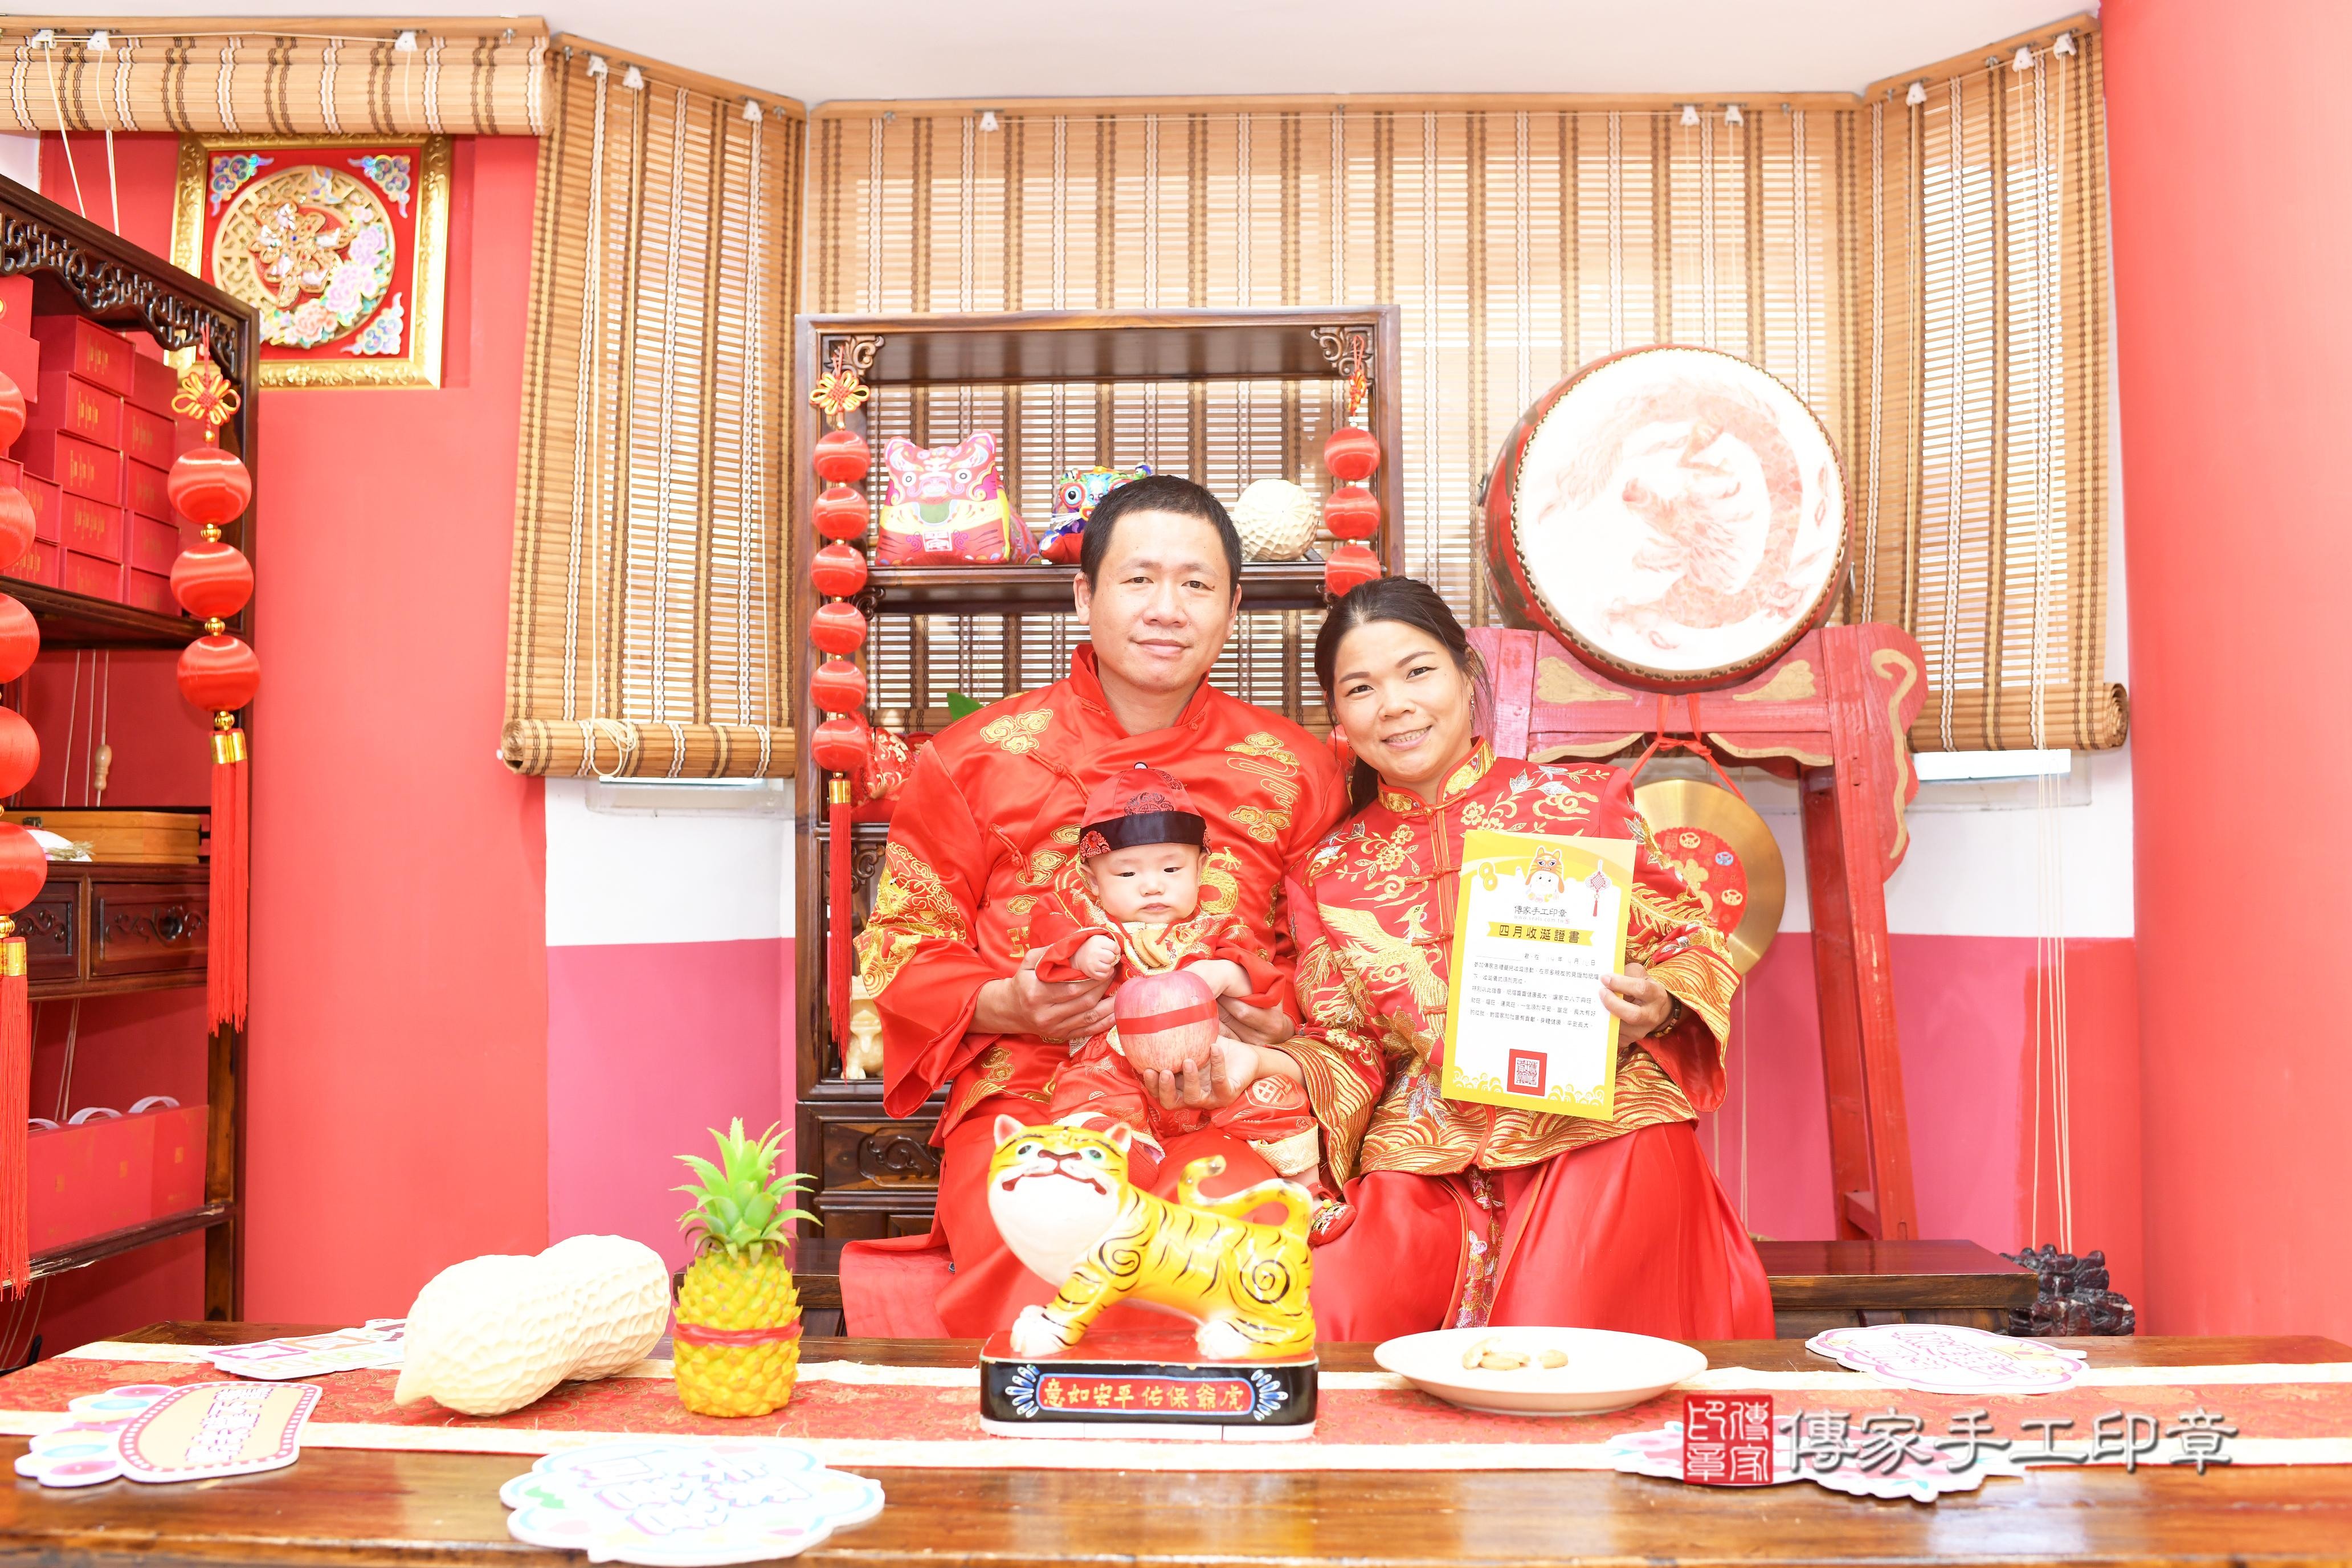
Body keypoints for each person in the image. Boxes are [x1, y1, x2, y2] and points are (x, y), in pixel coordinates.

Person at [840, 475, 1348, 1337]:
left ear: (1232, 610)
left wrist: (1268, 1019)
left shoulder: (1297, 768)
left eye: (1197, 585)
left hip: (1227, 1094)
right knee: (1053, 1234)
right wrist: (1010, 1004)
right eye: (1138, 579)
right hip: (1033, 1097)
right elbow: (900, 947)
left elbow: (1340, 964)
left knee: (1236, 1240)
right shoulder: (973, 759)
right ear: (1084, 596)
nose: (1167, 609)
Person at [1266, 575, 1774, 1340]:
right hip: (1427, 1152)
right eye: (1360, 688)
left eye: (1417, 671)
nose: (1394, 705)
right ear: (1337, 714)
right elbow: (1345, 1041)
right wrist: (1266, 1063)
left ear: (1466, 675)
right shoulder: (1326, 870)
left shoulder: (1583, 805)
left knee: (1554, 1330)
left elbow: (1687, 941)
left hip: (1602, 1123)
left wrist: (1661, 1001)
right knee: (1334, 1310)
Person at [1034, 764, 1322, 1191]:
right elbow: (1048, 962)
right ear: (1092, 881)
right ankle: (1122, 1160)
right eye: (1127, 874)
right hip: (1117, 1065)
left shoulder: (1218, 930)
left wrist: (1227, 973)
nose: (1153, 887)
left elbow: (1263, 988)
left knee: (1274, 1096)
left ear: (1201, 869)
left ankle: (1310, 1193)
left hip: (1211, 1065)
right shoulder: (1093, 931)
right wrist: (1080, 954)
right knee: (1085, 1096)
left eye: (1171, 870)